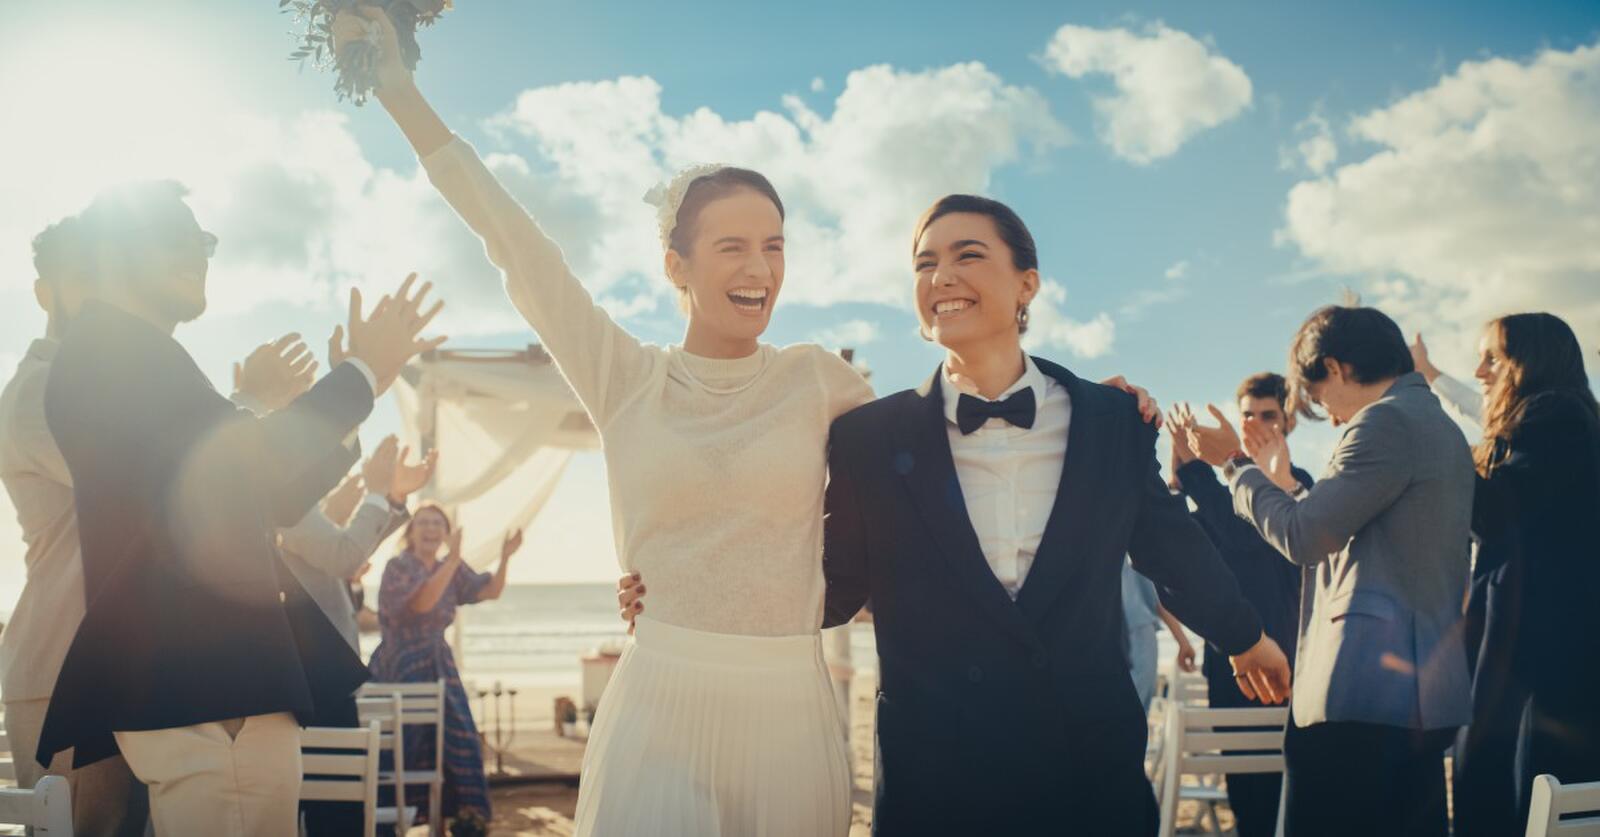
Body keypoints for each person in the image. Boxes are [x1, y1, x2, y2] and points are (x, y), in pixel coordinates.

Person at [792, 194, 1291, 834]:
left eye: (967, 255)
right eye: (925, 263)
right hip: (937, 780)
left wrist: (1246, 638)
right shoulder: (868, 438)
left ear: (1027, 282)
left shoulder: (1112, 422)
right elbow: (830, 586)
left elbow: (1173, 549)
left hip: (1088, 773)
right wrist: (691, 592)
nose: (941, 276)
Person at [35, 179, 445, 836]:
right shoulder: (118, 355)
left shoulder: (127, 357)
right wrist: (362, 374)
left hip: (206, 698)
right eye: (176, 238)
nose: (198, 254)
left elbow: (268, 495)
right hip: (214, 696)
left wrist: (356, 394)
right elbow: (244, 466)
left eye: (203, 240)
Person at [1183, 304, 1475, 837]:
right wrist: (1289, 488)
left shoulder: (1384, 421)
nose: (1329, 412)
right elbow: (1371, 533)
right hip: (1421, 697)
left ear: (1336, 368)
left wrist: (1234, 467)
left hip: (1359, 696)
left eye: (1318, 396)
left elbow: (1303, 537)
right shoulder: (1440, 428)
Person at [0, 217, 148, 836]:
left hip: (107, 666)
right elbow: (146, 481)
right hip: (65, 671)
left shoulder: (103, 387)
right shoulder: (41, 389)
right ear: (44, 292)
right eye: (84, 276)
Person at [1445, 314, 1600, 836]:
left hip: (1535, 645)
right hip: (1553, 637)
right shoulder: (1571, 417)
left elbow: (1494, 514)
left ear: (1528, 361)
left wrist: (1440, 453)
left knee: (1516, 789)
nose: (1479, 371)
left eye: (1492, 357)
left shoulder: (1553, 417)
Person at [1166, 372, 1311, 837]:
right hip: (1229, 662)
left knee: (1294, 799)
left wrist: (1195, 474)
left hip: (1291, 659)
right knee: (1245, 799)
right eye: (1248, 413)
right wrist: (1178, 480)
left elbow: (1245, 537)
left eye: (1268, 415)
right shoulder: (1221, 494)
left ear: (1288, 421)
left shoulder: (1298, 485)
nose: (1256, 423)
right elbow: (1182, 558)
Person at [368, 505, 520, 826]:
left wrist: (506, 557)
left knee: (460, 738)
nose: (430, 528)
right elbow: (422, 604)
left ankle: (464, 819)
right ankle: (390, 822)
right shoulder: (399, 566)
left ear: (446, 532)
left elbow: (489, 591)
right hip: (401, 663)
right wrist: (452, 561)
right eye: (423, 522)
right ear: (410, 532)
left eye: (438, 523)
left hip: (439, 663)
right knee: (404, 745)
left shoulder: (449, 566)